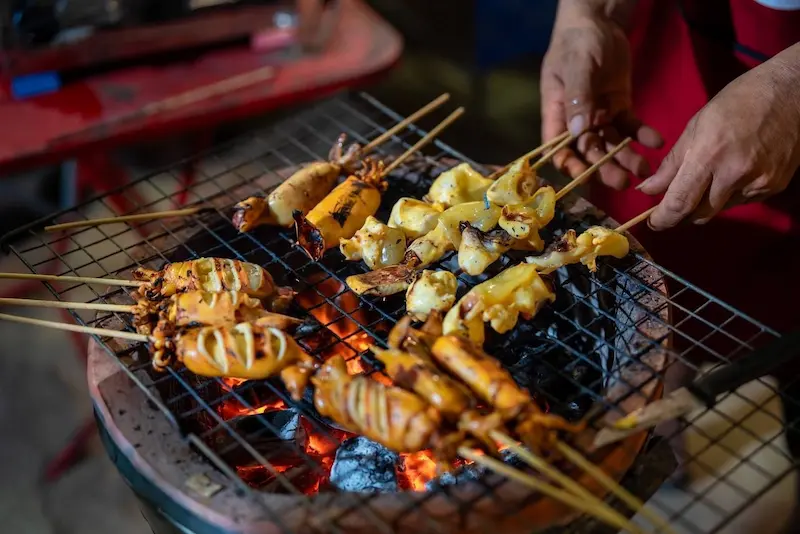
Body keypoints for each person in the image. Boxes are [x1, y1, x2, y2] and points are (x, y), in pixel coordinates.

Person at [540, 0, 800, 519]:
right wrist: (586, 12)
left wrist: (793, 87)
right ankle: (658, 422)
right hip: (679, 46)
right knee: (655, 273)